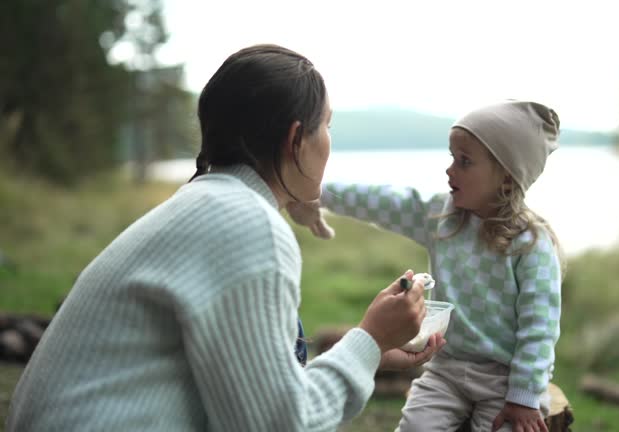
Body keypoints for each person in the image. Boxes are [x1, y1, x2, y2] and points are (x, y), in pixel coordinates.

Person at [6, 44, 446, 432]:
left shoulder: (204, 204)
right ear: (296, 138)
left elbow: (247, 398)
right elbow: (277, 425)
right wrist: (368, 338)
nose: (330, 141)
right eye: (327, 125)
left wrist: (367, 353)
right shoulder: (248, 225)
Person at [288, 100, 565, 432]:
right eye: (452, 157)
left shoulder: (532, 243)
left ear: (506, 178)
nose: (450, 170)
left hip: (505, 380)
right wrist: (317, 192)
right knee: (415, 427)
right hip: (445, 369)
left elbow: (540, 329)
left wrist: (523, 397)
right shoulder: (443, 217)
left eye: (465, 162)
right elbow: (382, 201)